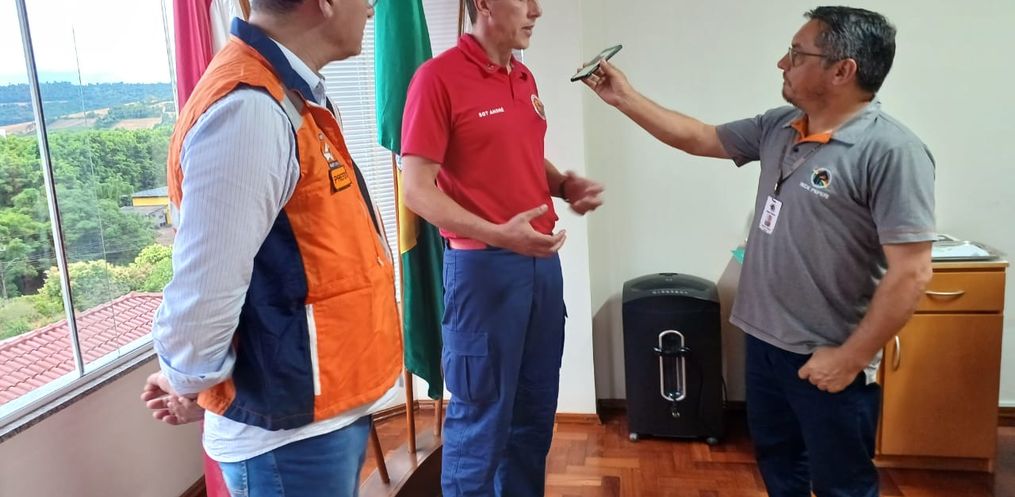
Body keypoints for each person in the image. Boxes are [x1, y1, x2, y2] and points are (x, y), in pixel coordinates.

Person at [584, 6, 934, 497]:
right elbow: (700, 137)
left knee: (843, 484)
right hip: (765, 343)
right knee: (779, 467)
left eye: (797, 53)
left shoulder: (892, 152)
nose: (782, 63)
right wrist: (624, 97)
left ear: (842, 70)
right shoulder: (781, 125)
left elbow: (912, 272)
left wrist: (851, 358)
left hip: (827, 356)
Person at [139, 1, 402, 496]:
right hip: (287, 437)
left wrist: (189, 380)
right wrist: (188, 378)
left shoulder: (287, 93)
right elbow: (204, 289)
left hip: (317, 415)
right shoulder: (249, 110)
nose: (370, 9)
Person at [400, 1, 604, 495]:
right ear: (485, 4)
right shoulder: (437, 79)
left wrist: (563, 184)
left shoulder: (523, 76)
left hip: (541, 267)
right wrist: (498, 234)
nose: (537, 10)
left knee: (533, 415)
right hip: (482, 273)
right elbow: (417, 190)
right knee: (480, 425)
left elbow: (521, 155)